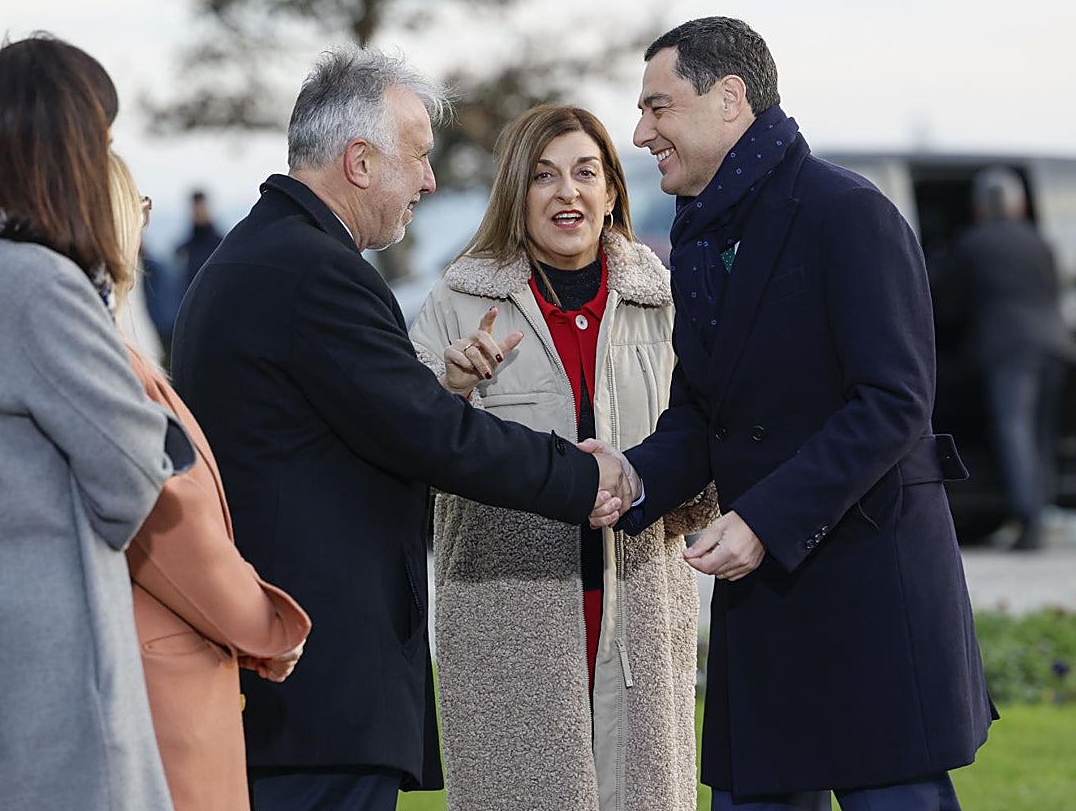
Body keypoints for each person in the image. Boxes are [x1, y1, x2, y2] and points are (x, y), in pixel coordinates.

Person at [170, 46, 631, 811]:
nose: (429, 180)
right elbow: (427, 434)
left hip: (288, 685)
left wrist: (439, 390)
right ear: (359, 161)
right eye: (416, 159)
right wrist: (585, 477)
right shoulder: (314, 272)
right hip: (319, 691)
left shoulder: (259, 256)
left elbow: (358, 422)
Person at [606, 17, 994, 809]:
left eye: (658, 106)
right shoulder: (698, 231)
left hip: (866, 587)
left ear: (729, 99)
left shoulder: (849, 212)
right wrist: (629, 476)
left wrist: (762, 521)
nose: (641, 132)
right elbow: (702, 415)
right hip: (767, 598)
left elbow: (892, 405)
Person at [0, 34, 195, 811]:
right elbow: (132, 477)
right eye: (99, 139)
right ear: (66, 149)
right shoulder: (40, 284)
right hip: (54, 642)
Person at [408, 104, 716, 811]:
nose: (566, 192)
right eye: (543, 176)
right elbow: (406, 442)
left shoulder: (665, 301)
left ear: (612, 192)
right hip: (507, 619)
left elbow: (707, 446)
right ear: (516, 195)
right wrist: (450, 386)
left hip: (639, 614)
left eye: (585, 172)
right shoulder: (460, 299)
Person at [106, 151, 314, 811]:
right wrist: (267, 626)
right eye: (137, 205)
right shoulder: (110, 360)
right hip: (166, 681)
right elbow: (172, 522)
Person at [942, 167, 1075, 550]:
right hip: (1055, 345)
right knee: (1041, 434)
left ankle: (1030, 519)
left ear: (979, 208)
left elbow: (949, 306)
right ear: (1018, 206)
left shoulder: (972, 244)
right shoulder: (1041, 242)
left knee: (1013, 429)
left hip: (1007, 349)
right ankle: (1040, 508)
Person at [175, 189, 224, 292]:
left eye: (201, 207)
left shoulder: (221, 245)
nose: (198, 212)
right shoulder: (183, 249)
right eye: (195, 208)